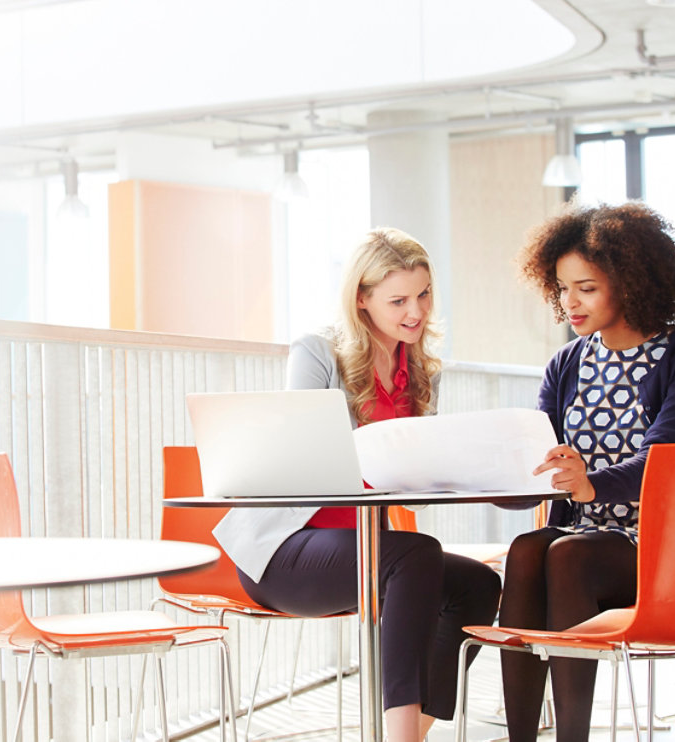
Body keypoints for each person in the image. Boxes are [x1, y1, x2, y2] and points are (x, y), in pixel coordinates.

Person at [212, 227, 502, 742]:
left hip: (367, 548)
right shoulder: (318, 352)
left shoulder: (422, 373)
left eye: (424, 294)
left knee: (478, 584)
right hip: (284, 550)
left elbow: (416, 471)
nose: (416, 311)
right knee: (414, 556)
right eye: (398, 300)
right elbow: (295, 450)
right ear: (362, 300)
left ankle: (415, 728)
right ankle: (401, 737)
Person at [498, 201, 675, 742]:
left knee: (568, 554)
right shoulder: (567, 363)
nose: (568, 302)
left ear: (630, 283)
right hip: (585, 535)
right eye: (562, 287)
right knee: (528, 550)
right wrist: (498, 475)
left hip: (662, 544)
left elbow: (664, 458)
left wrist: (590, 481)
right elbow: (541, 458)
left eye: (587, 288)